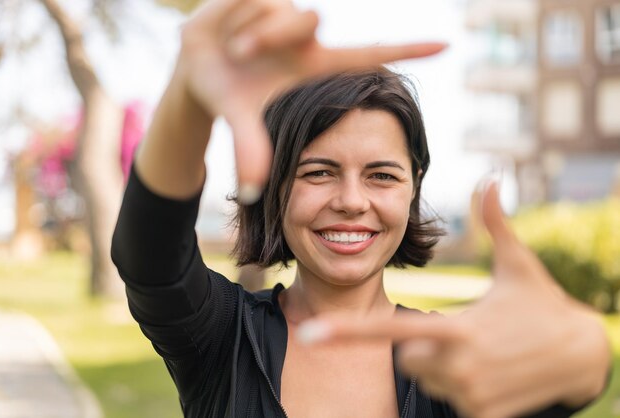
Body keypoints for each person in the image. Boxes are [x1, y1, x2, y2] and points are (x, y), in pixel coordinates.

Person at [111, 0, 611, 417]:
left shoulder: (455, 362)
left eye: (382, 175)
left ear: (413, 189)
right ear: (276, 186)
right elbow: (151, 256)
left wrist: (589, 353)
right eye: (319, 172)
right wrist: (189, 96)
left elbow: (575, 372)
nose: (351, 201)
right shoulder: (221, 337)